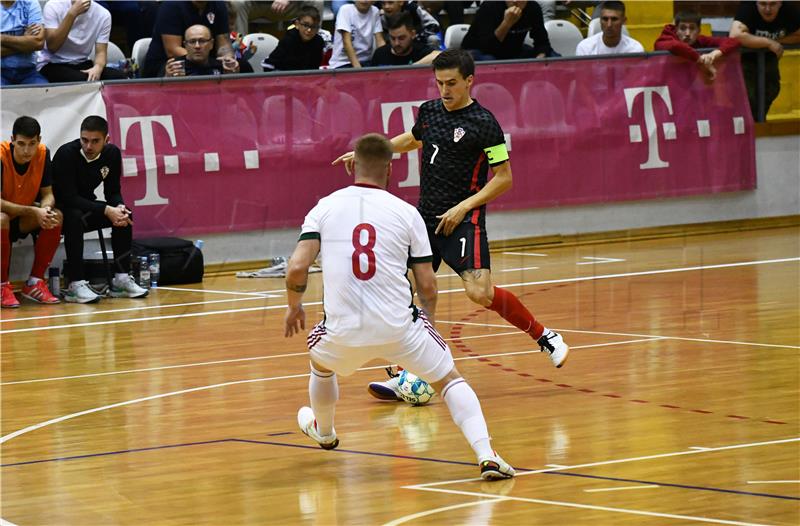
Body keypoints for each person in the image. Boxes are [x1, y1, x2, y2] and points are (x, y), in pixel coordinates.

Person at [333, 50, 569, 401]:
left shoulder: (483, 123)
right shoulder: (429, 112)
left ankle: (544, 335)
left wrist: (464, 206)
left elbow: (504, 178)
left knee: (480, 293)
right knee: (405, 293)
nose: (444, 90)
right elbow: (413, 139)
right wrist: (372, 152)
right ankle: (408, 373)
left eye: (452, 83)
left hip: (463, 218)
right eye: (439, 82)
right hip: (425, 217)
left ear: (470, 80)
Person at [287, 133, 515, 481]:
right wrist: (430, 327)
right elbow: (427, 284)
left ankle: (326, 431)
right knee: (449, 379)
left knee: (320, 363)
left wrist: (294, 306)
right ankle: (487, 454)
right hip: (400, 329)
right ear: (390, 169)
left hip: (342, 331)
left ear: (353, 165)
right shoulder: (408, 213)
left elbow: (297, 268)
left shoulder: (325, 206)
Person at [53, 116, 148, 304]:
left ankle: (121, 279)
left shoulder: (112, 154)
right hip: (61, 212)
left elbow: (112, 191)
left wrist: (118, 206)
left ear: (107, 140)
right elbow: (68, 198)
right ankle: (75, 283)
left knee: (125, 214)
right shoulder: (66, 154)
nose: (88, 146)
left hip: (87, 209)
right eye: (84, 140)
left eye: (95, 141)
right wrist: (106, 209)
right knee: (74, 216)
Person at [1, 116, 62, 308]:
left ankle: (34, 283)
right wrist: (33, 211)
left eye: (32, 144)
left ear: (39, 140)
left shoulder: (43, 154)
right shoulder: (1, 156)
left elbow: (48, 194)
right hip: (4, 216)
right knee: (1, 218)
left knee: (56, 217)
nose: (27, 150)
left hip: (20, 217)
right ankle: (2, 286)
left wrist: (44, 210)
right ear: (12, 139)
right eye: (21, 144)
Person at [729, 0, 800, 120]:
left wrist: (778, 41)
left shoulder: (789, 9)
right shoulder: (748, 6)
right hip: (745, 56)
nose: (767, 9)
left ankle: (758, 120)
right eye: (763, 4)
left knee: (772, 89)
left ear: (780, 3)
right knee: (748, 95)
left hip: (768, 54)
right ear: (756, 3)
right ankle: (752, 124)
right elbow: (735, 35)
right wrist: (768, 42)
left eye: (772, 4)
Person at [142, 0, 238, 78]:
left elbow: (224, 43)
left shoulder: (219, 4)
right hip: (168, 63)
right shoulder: (171, 5)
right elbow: (172, 50)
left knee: (241, 66)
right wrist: (206, 62)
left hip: (206, 62)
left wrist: (228, 59)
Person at [37, 0, 126, 83]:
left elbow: (101, 53)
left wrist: (97, 67)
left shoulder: (103, 14)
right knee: (82, 80)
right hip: (53, 63)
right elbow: (52, 47)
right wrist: (72, 14)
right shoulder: (53, 6)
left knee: (118, 77)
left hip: (81, 62)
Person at [654, 11, 739, 82]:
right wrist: (701, 60)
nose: (687, 33)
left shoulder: (700, 39)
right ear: (676, 30)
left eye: (692, 28)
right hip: (668, 85)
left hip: (693, 86)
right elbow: (675, 46)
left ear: (699, 30)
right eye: (683, 28)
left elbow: (734, 41)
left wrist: (714, 54)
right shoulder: (665, 39)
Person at [461, 0, 555, 61]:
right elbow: (488, 47)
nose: (514, 1)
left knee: (552, 56)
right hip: (478, 51)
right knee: (490, 60)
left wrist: (540, 57)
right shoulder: (489, 6)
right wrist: (507, 23)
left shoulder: (533, 8)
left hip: (513, 50)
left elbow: (542, 42)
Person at [262, 5, 324, 71]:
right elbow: (268, 65)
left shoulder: (319, 42)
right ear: (297, 24)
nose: (309, 30)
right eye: (305, 25)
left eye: (313, 26)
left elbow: (314, 69)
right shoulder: (288, 40)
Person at [0, 0, 48, 85]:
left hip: (28, 72)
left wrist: (2, 38)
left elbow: (38, 43)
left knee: (45, 93)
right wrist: (25, 41)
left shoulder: (30, 3)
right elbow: (33, 44)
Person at [164, 24, 240, 77]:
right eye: (192, 41)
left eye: (202, 41)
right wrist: (167, 79)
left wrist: (233, 77)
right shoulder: (174, 68)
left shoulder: (222, 66)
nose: (197, 46)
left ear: (211, 44)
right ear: (185, 45)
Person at [328, 0, 385, 68]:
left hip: (367, 61)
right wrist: (358, 69)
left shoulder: (375, 11)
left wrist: (386, 62)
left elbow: (380, 41)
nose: (364, 1)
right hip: (343, 63)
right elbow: (346, 42)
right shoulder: (345, 10)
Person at [575, 1, 644, 56]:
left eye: (614, 19)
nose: (609, 25)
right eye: (605, 19)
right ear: (600, 20)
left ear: (623, 21)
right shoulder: (585, 48)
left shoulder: (635, 49)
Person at [372, 11, 440, 66]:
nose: (396, 43)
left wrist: (413, 67)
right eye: (392, 38)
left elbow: (440, 55)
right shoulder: (380, 54)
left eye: (401, 38)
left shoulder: (420, 52)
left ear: (412, 34)